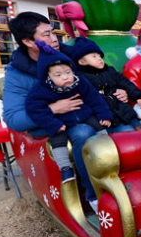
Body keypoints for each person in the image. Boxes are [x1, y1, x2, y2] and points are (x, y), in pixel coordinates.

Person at [3, 12, 102, 211]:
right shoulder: (17, 73)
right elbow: (13, 118)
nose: (54, 38)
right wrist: (52, 109)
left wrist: (116, 89)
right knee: (83, 133)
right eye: (46, 35)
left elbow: (103, 76)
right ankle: (96, 197)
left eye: (53, 32)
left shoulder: (71, 56)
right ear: (28, 41)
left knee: (119, 122)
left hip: (85, 112)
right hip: (54, 125)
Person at [25, 41, 112, 209]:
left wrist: (104, 115)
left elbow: (95, 98)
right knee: (58, 139)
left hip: (84, 114)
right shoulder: (41, 90)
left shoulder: (79, 82)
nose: (65, 77)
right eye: (58, 75)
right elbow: (34, 109)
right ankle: (65, 168)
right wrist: (53, 123)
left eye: (68, 72)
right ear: (47, 77)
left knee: (101, 129)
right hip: (63, 121)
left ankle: (108, 153)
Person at [69, 37, 141, 133]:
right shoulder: (81, 78)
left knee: (135, 129)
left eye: (100, 56)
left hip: (121, 110)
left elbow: (124, 82)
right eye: (94, 56)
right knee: (121, 134)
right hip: (103, 117)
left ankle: (140, 132)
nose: (100, 59)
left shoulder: (109, 71)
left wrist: (137, 95)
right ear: (82, 62)